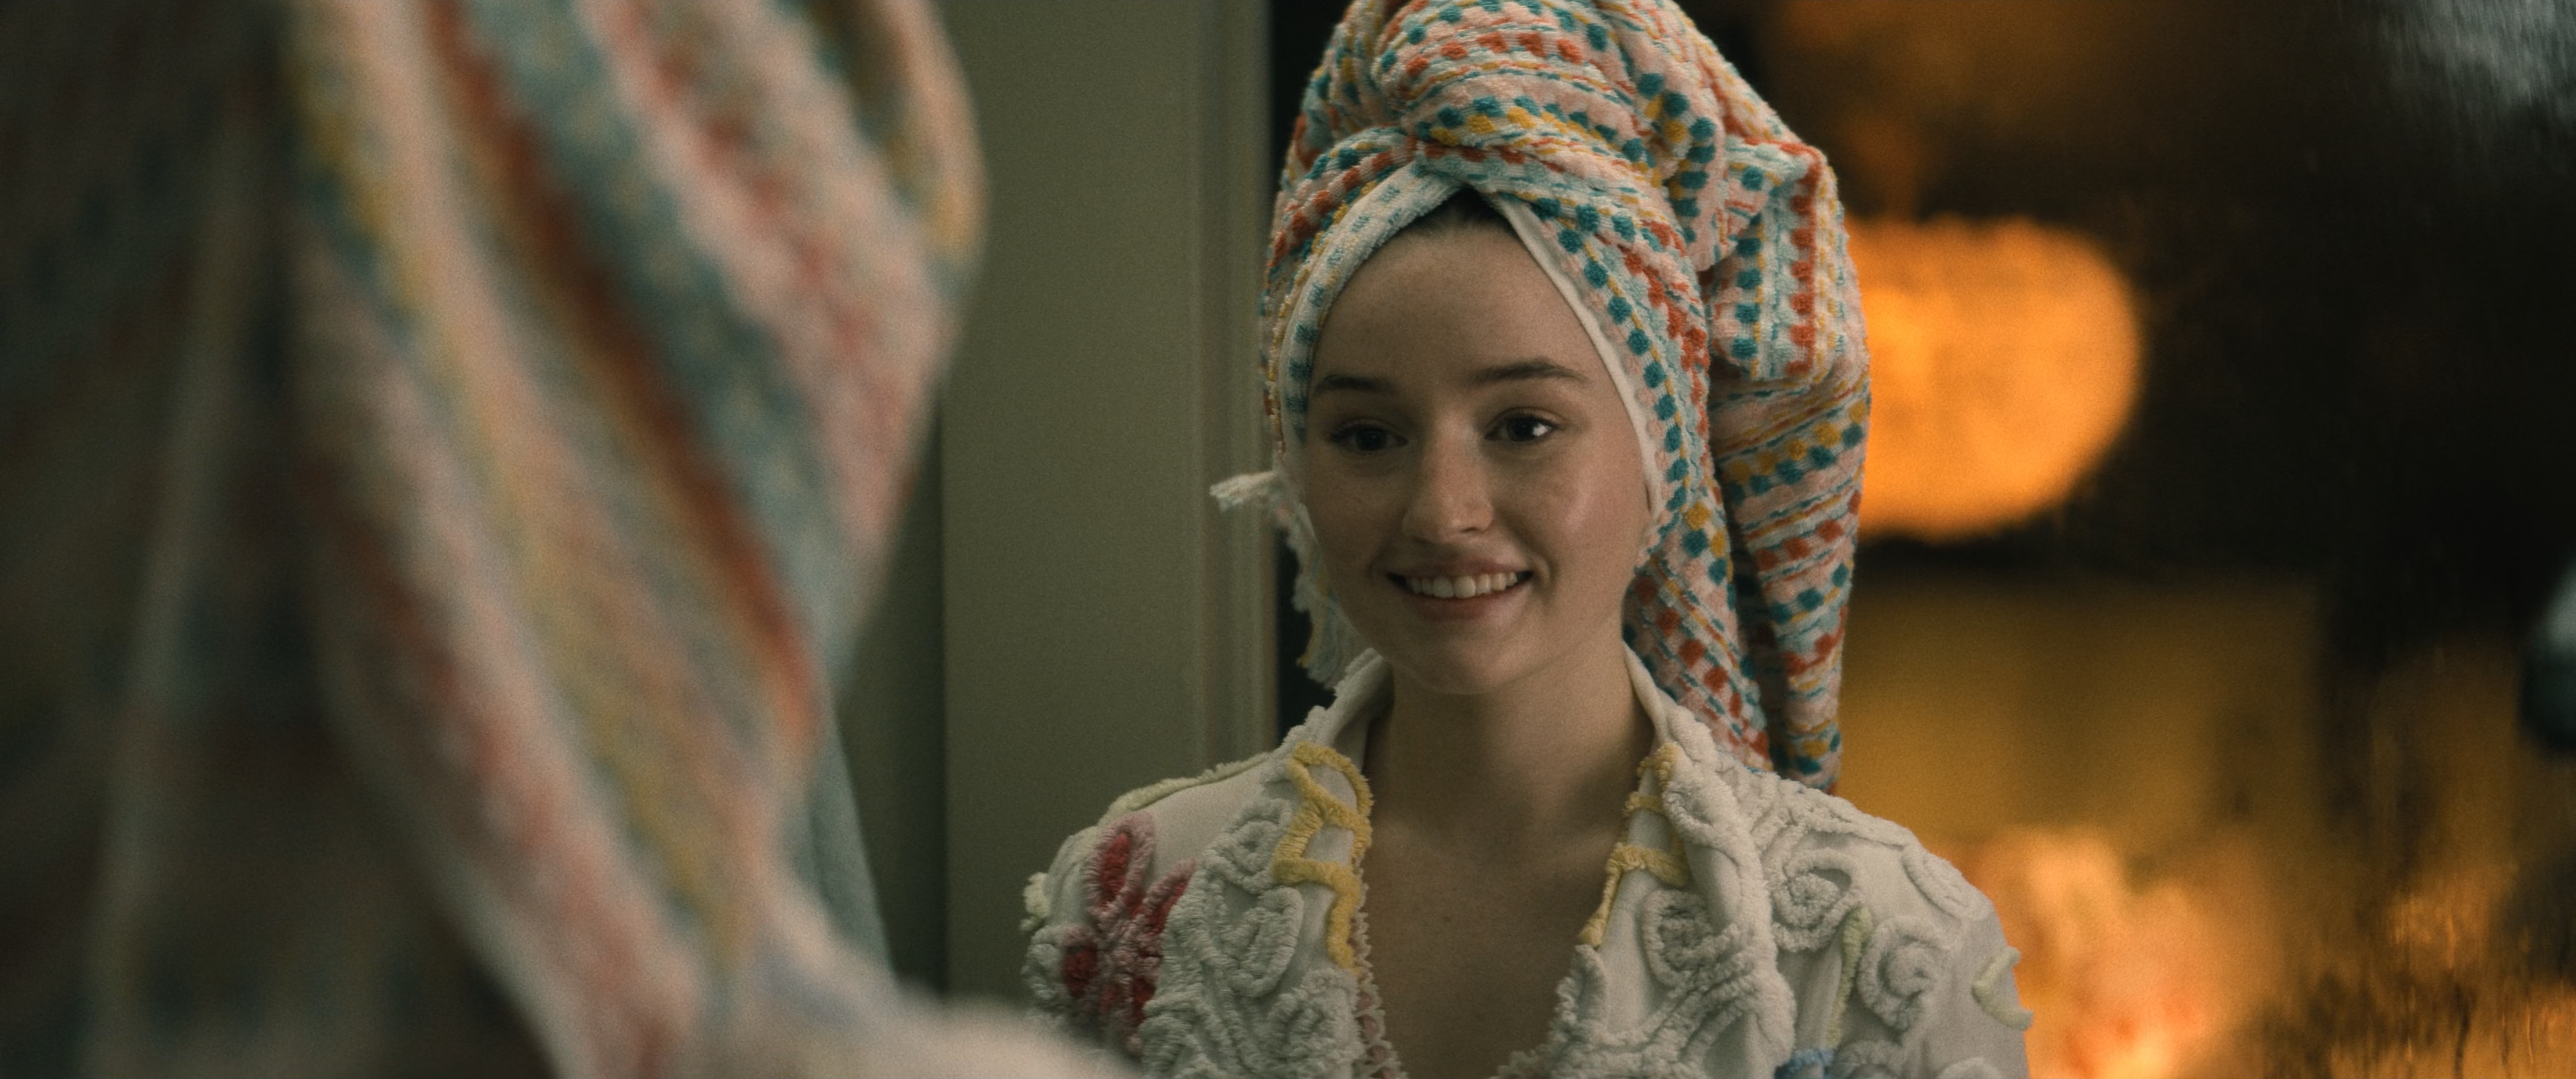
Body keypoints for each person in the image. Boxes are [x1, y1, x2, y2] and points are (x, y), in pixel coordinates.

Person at [1020, 1, 2032, 1076]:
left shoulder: (1878, 949)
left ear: (1664, 457)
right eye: (1368, 436)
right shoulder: (1129, 907)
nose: (1442, 511)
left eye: (1524, 427)